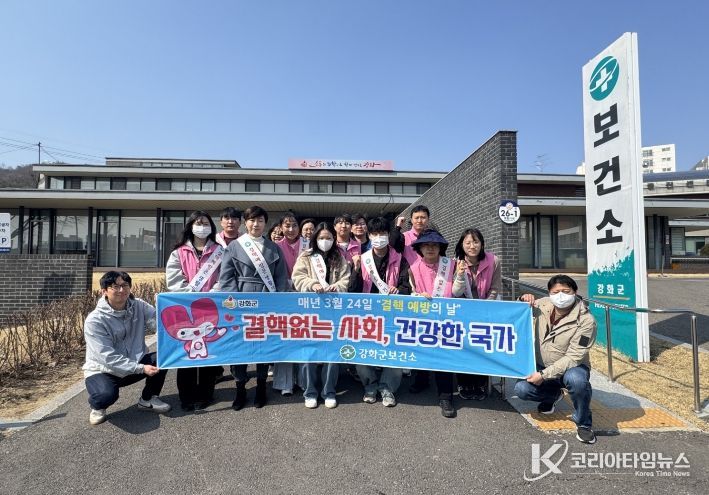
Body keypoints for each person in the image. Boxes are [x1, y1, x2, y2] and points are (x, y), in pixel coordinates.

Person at [219, 206, 289, 411]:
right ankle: (240, 388)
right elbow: (226, 278)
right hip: (242, 300)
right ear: (245, 222)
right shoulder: (234, 247)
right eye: (251, 220)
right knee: (239, 346)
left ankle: (260, 386)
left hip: (267, 302)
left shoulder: (274, 248)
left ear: (265, 223)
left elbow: (281, 277)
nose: (255, 224)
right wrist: (236, 303)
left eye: (260, 220)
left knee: (262, 345)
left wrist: (278, 302)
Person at [515, 275, 598, 444]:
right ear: (549, 293)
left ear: (575, 292)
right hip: (542, 365)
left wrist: (543, 375)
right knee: (521, 389)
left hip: (572, 368)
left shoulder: (586, 321)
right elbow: (518, 312)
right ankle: (553, 395)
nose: (561, 296)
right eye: (556, 292)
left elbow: (574, 356)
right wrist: (522, 299)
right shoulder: (543, 304)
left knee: (577, 381)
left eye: (566, 291)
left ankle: (584, 423)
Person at [83, 271, 171, 425]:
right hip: (103, 369)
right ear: (104, 291)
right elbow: (106, 357)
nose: (122, 290)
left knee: (164, 357)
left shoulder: (139, 305)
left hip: (134, 361)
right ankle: (98, 406)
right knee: (106, 395)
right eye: (115, 286)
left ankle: (148, 399)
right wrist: (140, 368)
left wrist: (164, 311)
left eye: (125, 285)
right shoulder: (95, 320)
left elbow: (158, 323)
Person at [348, 217, 411, 407]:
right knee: (363, 350)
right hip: (367, 314)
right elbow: (352, 290)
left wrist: (398, 290)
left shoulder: (400, 259)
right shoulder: (363, 259)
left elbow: (406, 287)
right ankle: (370, 385)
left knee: (393, 351)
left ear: (388, 235)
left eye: (382, 233)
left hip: (392, 314)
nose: (378, 237)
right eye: (374, 234)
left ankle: (387, 388)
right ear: (369, 236)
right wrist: (355, 270)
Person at [165, 211, 224, 411]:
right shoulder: (179, 252)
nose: (202, 226)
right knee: (187, 352)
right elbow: (174, 280)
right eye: (198, 223)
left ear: (211, 227)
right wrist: (190, 295)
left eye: (206, 223)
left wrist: (211, 295)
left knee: (208, 352)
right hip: (185, 309)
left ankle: (206, 395)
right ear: (190, 226)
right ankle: (186, 397)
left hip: (210, 307)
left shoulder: (219, 251)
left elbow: (223, 278)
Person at [292, 222, 351, 409]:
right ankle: (310, 392)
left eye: (329, 238)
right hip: (310, 313)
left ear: (334, 239)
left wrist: (337, 287)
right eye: (321, 238)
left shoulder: (339, 257)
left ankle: (329, 391)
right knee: (309, 352)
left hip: (333, 312)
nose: (325, 241)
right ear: (315, 239)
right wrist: (312, 284)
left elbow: (346, 278)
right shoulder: (306, 256)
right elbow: (297, 277)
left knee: (331, 353)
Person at [407, 229, 458, 418]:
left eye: (434, 245)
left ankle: (446, 396)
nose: (430, 248)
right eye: (426, 245)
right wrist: (417, 295)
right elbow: (409, 291)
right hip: (422, 316)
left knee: (443, 355)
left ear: (440, 247)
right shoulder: (412, 268)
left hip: (447, 317)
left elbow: (459, 290)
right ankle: (421, 380)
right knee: (421, 349)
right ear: (419, 248)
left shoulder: (451, 265)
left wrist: (460, 275)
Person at [452, 228, 502, 401]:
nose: (472, 246)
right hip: (462, 313)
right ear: (462, 245)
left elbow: (495, 287)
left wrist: (485, 306)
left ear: (482, 244)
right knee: (464, 347)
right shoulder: (455, 263)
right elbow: (455, 293)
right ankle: (464, 383)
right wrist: (459, 274)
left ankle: (481, 383)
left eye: (475, 242)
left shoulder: (493, 261)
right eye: (468, 243)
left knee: (482, 346)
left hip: (484, 311)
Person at [272, 213, 309, 396]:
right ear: (281, 227)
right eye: (287, 226)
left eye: (294, 225)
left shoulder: (308, 245)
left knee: (304, 337)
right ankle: (284, 382)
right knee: (285, 337)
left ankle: (304, 380)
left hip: (305, 295)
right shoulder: (275, 246)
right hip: (284, 296)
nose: (291, 229)